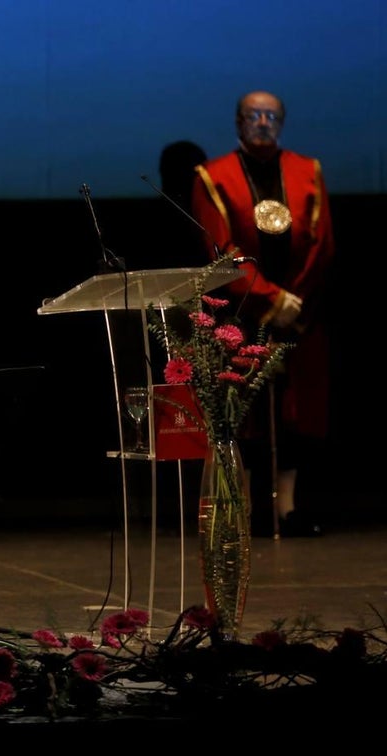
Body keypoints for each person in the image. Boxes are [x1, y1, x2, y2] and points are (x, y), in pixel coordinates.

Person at [190, 90, 336, 537]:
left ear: (282, 122)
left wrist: (293, 301)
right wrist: (268, 298)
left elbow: (321, 243)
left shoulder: (306, 172)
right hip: (241, 313)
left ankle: (287, 509)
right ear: (237, 122)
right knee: (241, 413)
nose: (262, 122)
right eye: (253, 115)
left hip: (299, 312)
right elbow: (220, 251)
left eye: (271, 116)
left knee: (296, 414)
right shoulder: (212, 177)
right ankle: (245, 510)